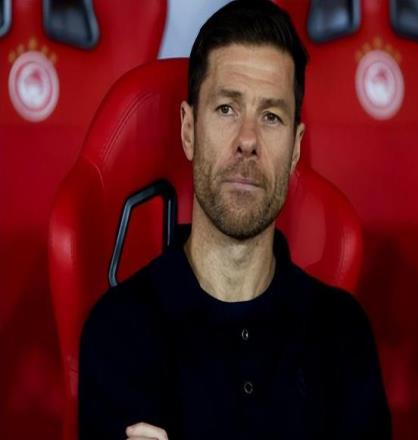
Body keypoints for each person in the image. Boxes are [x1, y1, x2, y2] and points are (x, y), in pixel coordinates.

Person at [78, 1, 391, 439]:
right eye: (227, 108)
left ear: (295, 148)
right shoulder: (119, 333)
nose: (248, 140)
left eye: (271, 117)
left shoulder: (343, 333)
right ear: (189, 130)